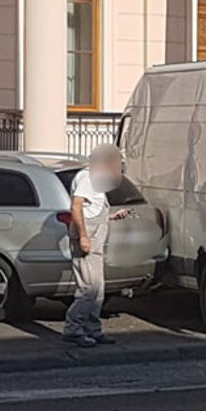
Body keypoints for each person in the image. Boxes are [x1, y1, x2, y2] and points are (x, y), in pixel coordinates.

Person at [65, 144, 131, 348]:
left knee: (98, 288)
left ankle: (93, 329)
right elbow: (76, 207)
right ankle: (73, 329)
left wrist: (110, 216)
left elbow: (91, 209)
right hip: (88, 236)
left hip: (94, 233)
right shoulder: (88, 177)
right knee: (88, 288)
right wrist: (84, 236)